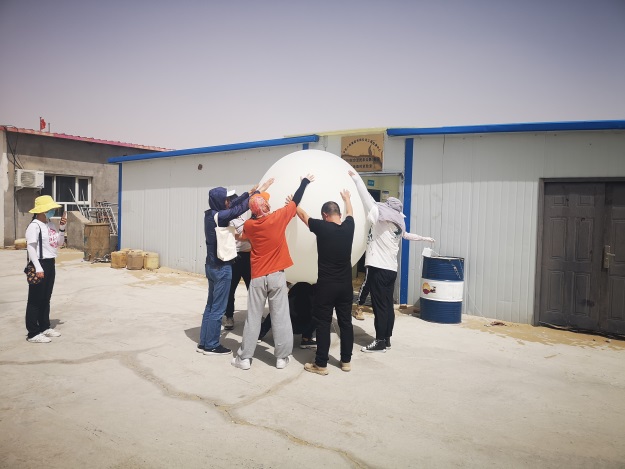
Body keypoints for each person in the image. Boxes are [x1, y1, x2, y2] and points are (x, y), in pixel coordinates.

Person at [231, 174, 314, 370]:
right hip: (276, 275)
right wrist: (304, 182)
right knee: (280, 317)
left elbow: (242, 234)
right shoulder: (278, 218)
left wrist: (258, 193)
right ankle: (281, 358)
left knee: (253, 317)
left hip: (258, 276)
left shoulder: (250, 225)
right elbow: (295, 201)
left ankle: (244, 358)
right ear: (267, 207)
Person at [349, 171, 435, 352]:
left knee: (380, 306)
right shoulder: (398, 224)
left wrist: (356, 178)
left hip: (378, 269)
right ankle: (387, 338)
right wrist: (424, 238)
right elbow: (408, 235)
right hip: (391, 270)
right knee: (387, 305)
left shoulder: (380, 218)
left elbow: (366, 198)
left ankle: (380, 341)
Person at [198, 179, 274, 356]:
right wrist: (258, 193)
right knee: (218, 308)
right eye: (225, 199)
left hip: (211, 266)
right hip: (221, 268)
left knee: (210, 306)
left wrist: (249, 193)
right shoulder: (220, 217)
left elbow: (234, 205)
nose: (228, 202)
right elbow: (238, 209)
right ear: (219, 201)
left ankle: (203, 342)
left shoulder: (211, 214)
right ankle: (211, 345)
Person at [296, 189, 355, 375]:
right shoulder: (349, 227)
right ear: (339, 214)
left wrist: (293, 204)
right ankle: (346, 361)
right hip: (345, 286)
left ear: (324, 215)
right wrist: (347, 199)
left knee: (323, 323)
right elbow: (350, 213)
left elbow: (304, 216)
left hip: (326, 286)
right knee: (346, 323)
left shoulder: (322, 227)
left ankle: (321, 364)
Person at [24, 195, 66, 343]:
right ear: (42, 210)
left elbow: (59, 243)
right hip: (39, 264)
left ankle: (44, 326)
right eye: (50, 209)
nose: (52, 211)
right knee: (35, 300)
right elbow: (31, 248)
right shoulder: (34, 226)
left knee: (46, 298)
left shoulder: (50, 225)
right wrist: (38, 267)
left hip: (50, 263)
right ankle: (33, 333)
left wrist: (62, 228)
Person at [223, 196, 251, 331]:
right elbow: (237, 236)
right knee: (231, 289)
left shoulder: (243, 217)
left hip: (249, 257)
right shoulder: (228, 220)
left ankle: (255, 314)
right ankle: (229, 316)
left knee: (252, 288)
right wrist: (255, 235)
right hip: (236, 258)